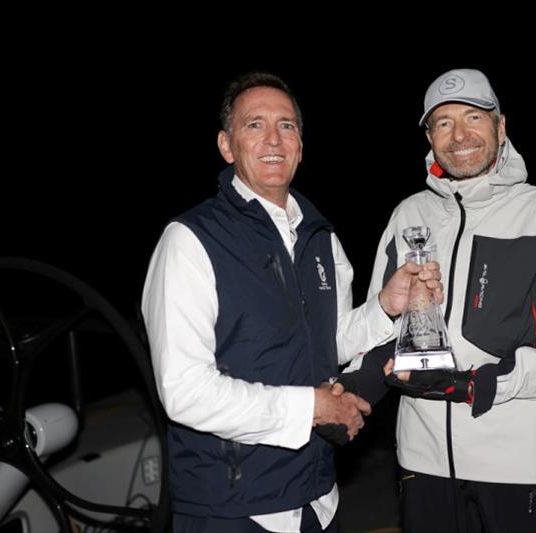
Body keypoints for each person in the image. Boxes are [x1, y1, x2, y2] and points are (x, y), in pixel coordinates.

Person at [140, 71, 442, 533]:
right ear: (226, 145)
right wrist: (312, 409)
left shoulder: (322, 239)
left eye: (287, 126)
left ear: (301, 145)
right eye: (254, 125)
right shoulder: (189, 241)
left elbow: (332, 343)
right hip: (233, 509)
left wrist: (385, 305)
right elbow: (184, 393)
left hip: (318, 500)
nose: (273, 139)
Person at [363, 68, 536, 532]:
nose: (460, 135)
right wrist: (354, 389)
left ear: (501, 126)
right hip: (423, 459)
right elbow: (379, 322)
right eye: (444, 123)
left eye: (474, 117)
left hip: (519, 463)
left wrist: (482, 385)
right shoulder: (408, 215)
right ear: (430, 137)